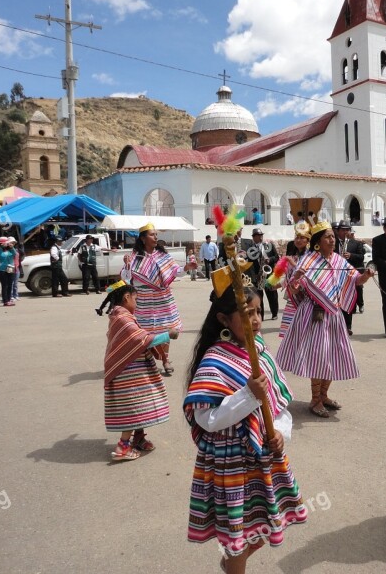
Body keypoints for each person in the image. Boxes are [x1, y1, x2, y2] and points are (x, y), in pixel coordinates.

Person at [183, 284, 306, 572]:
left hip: (264, 456)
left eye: (259, 312)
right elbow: (208, 419)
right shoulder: (215, 360)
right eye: (247, 313)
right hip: (232, 462)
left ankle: (230, 564)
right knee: (238, 532)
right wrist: (248, 395)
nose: (256, 320)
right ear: (224, 320)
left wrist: (278, 431)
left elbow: (278, 404)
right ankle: (234, 566)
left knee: (263, 525)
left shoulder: (261, 353)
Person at [277, 221, 375, 418]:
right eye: (327, 237)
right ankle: (315, 400)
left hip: (334, 314)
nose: (332, 240)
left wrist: (366, 275)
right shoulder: (308, 260)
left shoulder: (338, 261)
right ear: (317, 242)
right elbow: (294, 289)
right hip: (313, 314)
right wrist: (295, 277)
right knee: (319, 357)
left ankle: (324, 395)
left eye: (332, 236)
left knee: (332, 355)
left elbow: (355, 279)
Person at [98, 281, 178, 461]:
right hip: (127, 371)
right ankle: (123, 447)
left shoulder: (121, 315)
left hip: (134, 369)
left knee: (141, 403)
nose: (137, 302)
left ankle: (138, 438)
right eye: (135, 298)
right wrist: (167, 335)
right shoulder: (122, 318)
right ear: (126, 297)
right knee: (132, 406)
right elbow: (140, 338)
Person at [121, 223, 182, 375]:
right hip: (143, 299)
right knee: (147, 331)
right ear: (142, 238)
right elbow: (126, 278)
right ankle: (149, 360)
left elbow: (175, 270)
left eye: (156, 234)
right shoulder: (135, 257)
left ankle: (166, 359)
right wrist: (127, 266)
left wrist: (187, 268)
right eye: (152, 234)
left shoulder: (163, 255)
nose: (155, 237)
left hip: (163, 298)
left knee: (166, 329)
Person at [279, 223, 311, 338]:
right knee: (289, 332)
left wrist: (292, 263)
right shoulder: (295, 255)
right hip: (292, 297)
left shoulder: (311, 256)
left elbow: (307, 274)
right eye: (297, 237)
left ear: (308, 240)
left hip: (305, 297)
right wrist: (276, 284)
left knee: (303, 331)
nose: (298, 240)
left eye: (302, 238)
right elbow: (289, 277)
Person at [334, 220, 365, 334]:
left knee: (348, 300)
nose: (345, 232)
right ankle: (337, 325)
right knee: (337, 301)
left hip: (350, 276)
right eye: (343, 230)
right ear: (338, 231)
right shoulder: (332, 243)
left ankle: (348, 326)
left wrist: (351, 255)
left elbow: (361, 257)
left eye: (347, 230)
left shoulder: (356, 243)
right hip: (336, 276)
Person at [251, 228, 280, 320]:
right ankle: (261, 316)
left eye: (261, 236)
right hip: (258, 275)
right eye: (258, 236)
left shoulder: (269, 245)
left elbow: (276, 257)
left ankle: (274, 313)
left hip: (268, 274)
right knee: (259, 297)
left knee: (272, 295)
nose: (260, 238)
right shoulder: (251, 249)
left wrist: (270, 260)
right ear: (253, 238)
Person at [0, 236, 17, 307]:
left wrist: (11, 247)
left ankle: (9, 299)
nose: (5, 244)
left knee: (10, 285)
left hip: (10, 268)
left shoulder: (10, 250)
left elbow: (15, 254)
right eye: (4, 243)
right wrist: (1, 247)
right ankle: (5, 301)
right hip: (2, 269)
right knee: (5, 286)